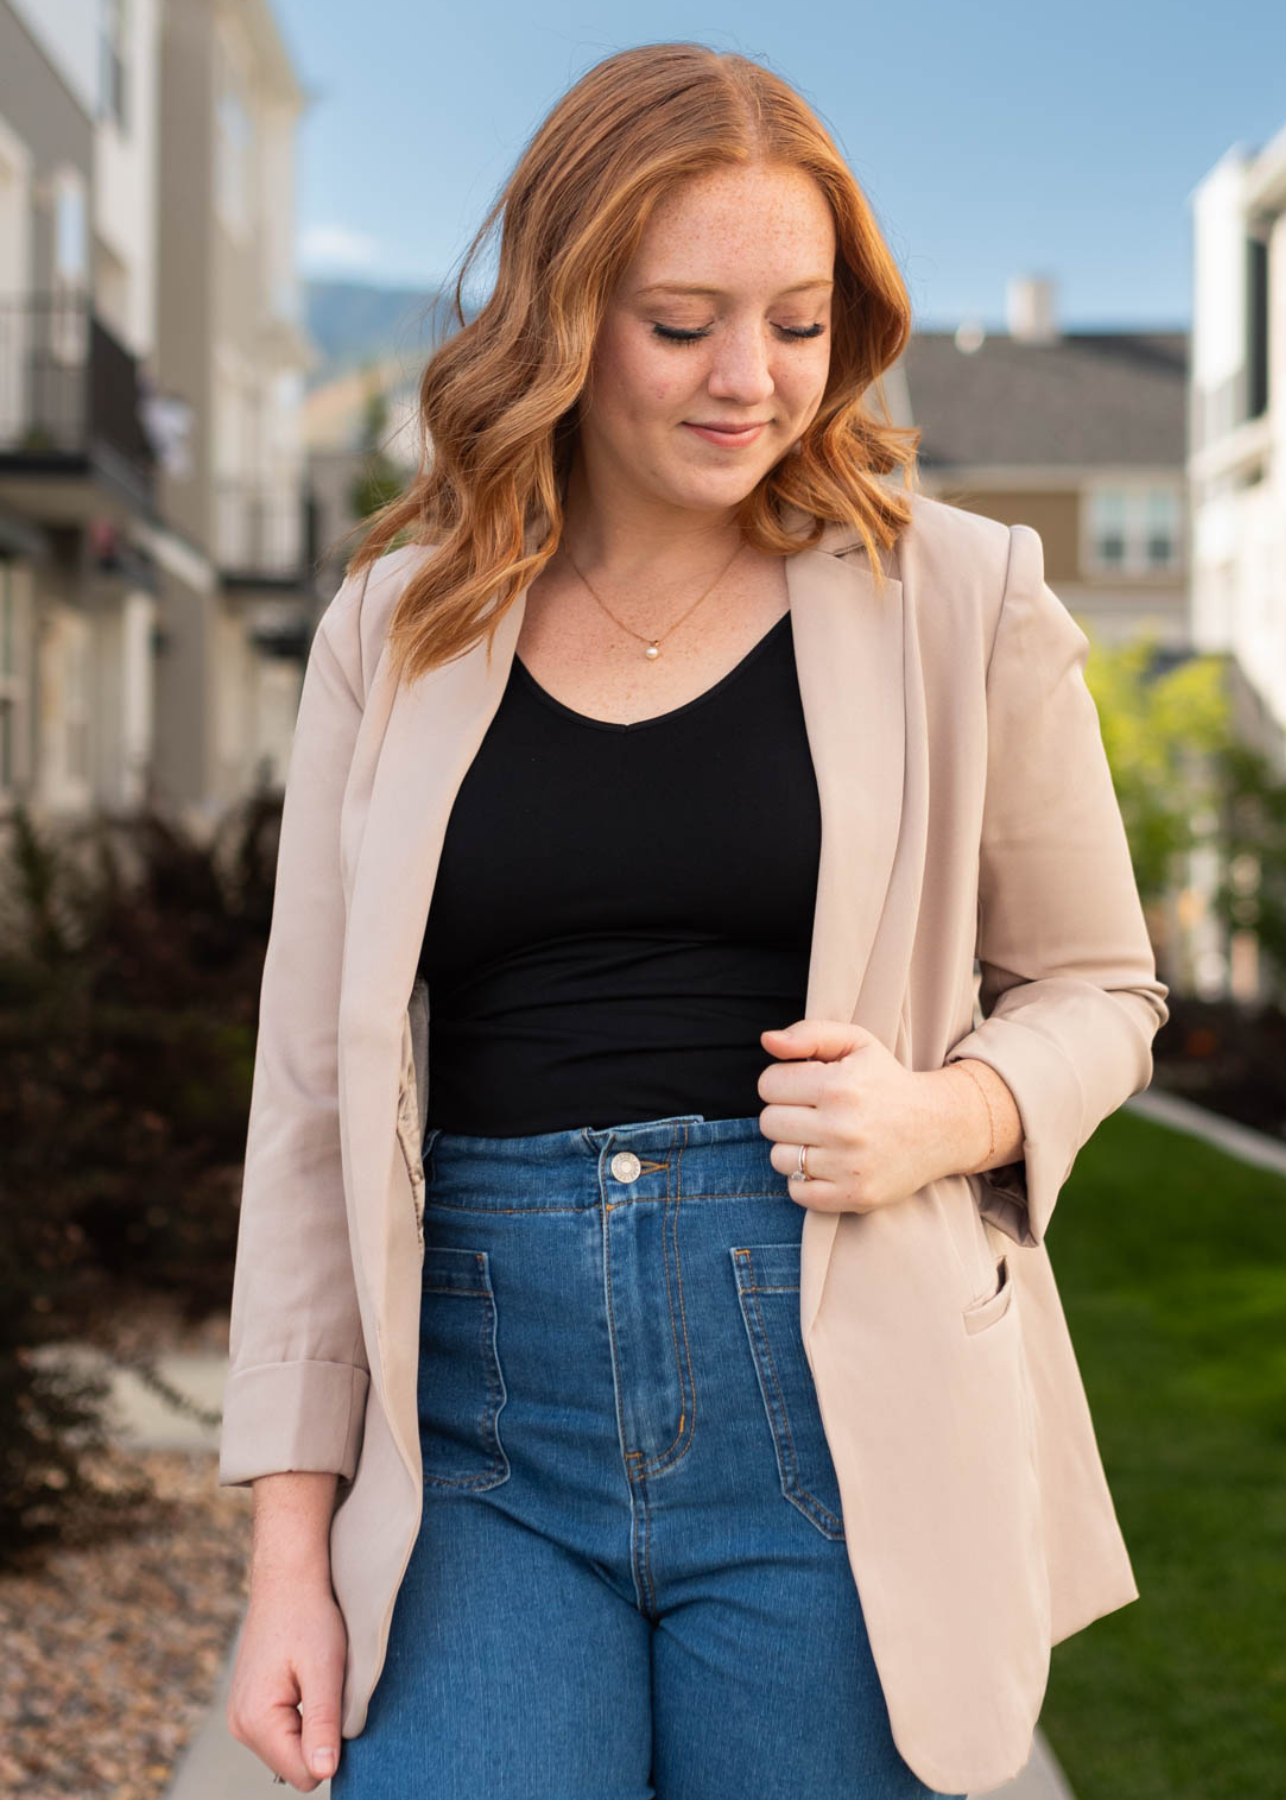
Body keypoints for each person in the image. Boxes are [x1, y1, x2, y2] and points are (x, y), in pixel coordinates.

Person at [218, 41, 1168, 1800]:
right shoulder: (392, 626)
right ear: (563, 319)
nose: (752, 382)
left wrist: (940, 1114)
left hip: (835, 1406)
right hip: (479, 1436)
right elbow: (309, 1106)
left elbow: (1101, 985)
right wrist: (289, 1557)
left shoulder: (958, 597)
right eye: (682, 324)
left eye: (798, 323)